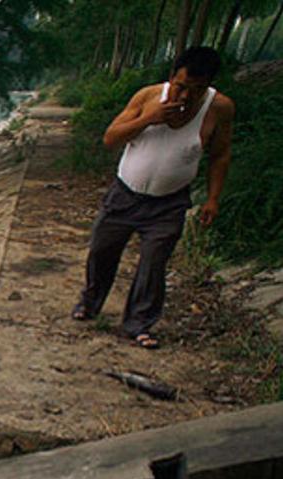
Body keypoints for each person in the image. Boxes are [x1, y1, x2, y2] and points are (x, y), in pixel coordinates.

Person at [72, 46, 234, 349]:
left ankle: (139, 324)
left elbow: (220, 155)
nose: (185, 97)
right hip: (124, 194)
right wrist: (149, 118)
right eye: (181, 87)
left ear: (209, 87)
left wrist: (213, 198)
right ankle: (90, 302)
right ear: (172, 77)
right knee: (101, 251)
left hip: (169, 202)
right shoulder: (147, 97)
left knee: (154, 263)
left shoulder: (219, 109)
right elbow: (110, 138)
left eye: (196, 91)